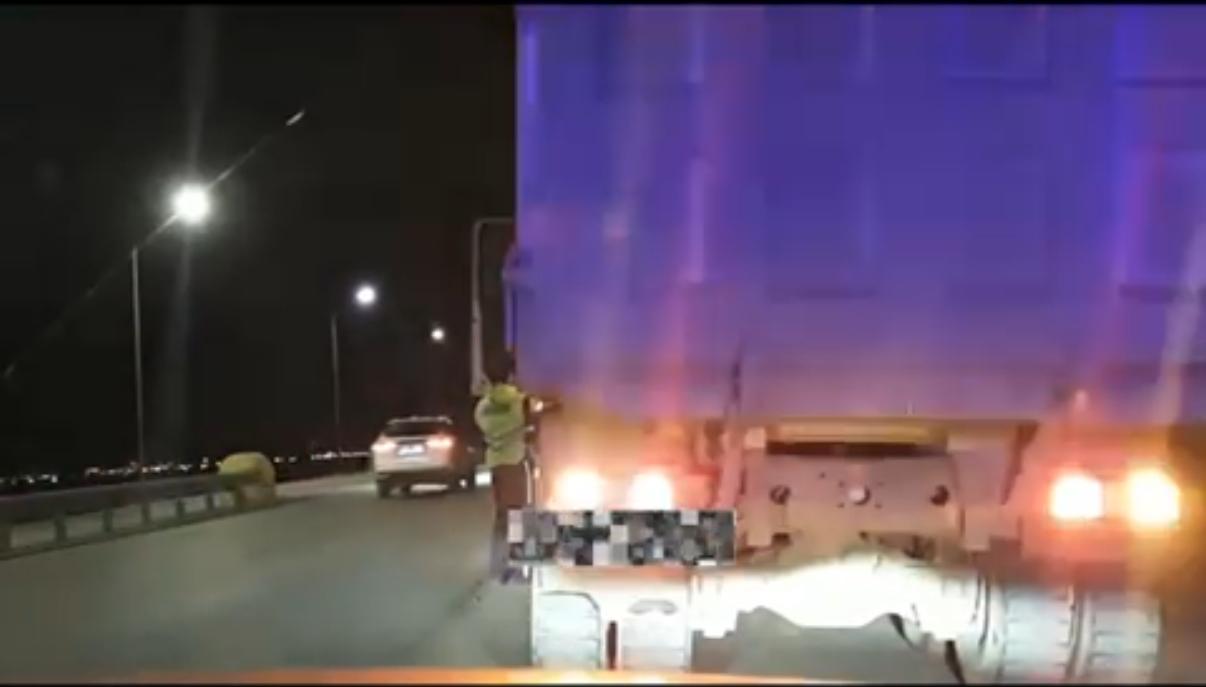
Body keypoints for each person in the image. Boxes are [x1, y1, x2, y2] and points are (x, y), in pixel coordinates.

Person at [474, 352, 530, 585]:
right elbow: (532, 415)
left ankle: (496, 567)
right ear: (511, 374)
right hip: (513, 464)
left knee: (501, 517)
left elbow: (485, 426)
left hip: (496, 464)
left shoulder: (483, 406)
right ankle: (513, 569)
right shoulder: (519, 401)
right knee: (516, 517)